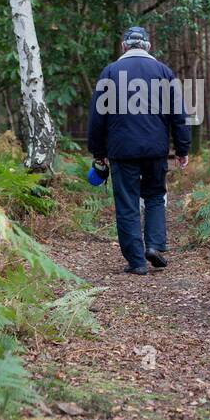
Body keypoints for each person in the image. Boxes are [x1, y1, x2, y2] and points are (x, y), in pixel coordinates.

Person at [86, 26, 191, 275]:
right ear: (148, 47)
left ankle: (136, 261)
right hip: (156, 149)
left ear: (124, 46)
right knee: (155, 196)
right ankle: (154, 245)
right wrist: (182, 148)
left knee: (127, 203)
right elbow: (179, 114)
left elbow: (97, 116)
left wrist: (97, 151)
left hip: (122, 150)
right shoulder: (164, 72)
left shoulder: (110, 72)